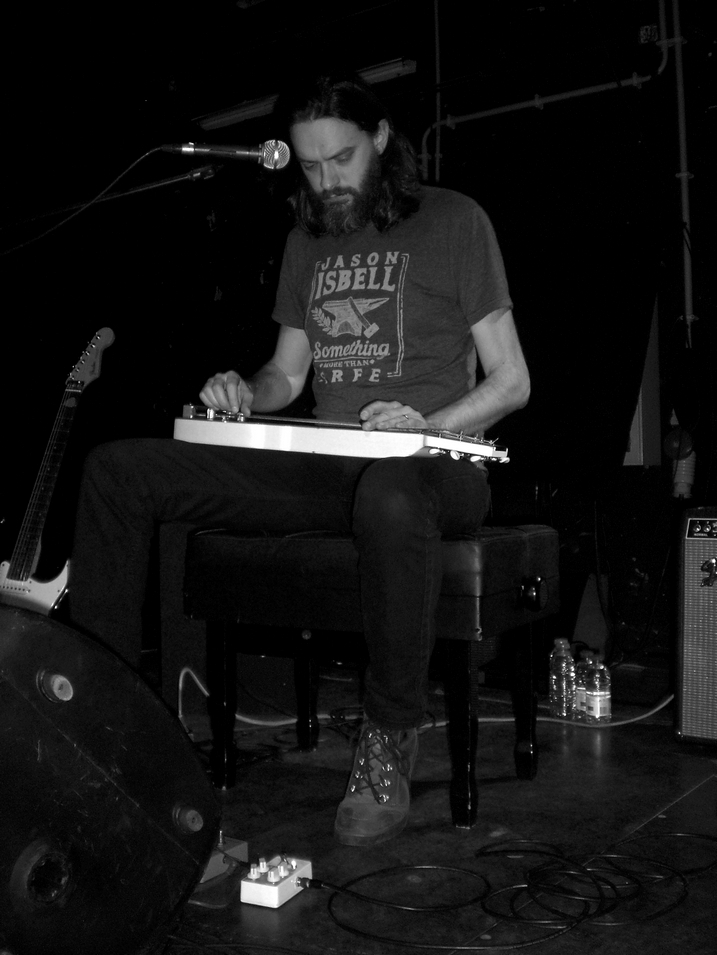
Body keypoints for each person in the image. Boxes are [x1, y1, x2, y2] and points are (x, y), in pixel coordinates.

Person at [68, 72, 529, 847]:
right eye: (311, 167)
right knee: (120, 470)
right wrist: (241, 392)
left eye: (341, 160)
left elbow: (512, 380)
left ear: (380, 139)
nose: (327, 181)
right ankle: (100, 725)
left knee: (390, 491)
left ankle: (388, 734)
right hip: (326, 465)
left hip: (433, 467)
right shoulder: (306, 241)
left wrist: (425, 423)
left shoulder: (455, 220)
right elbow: (286, 376)